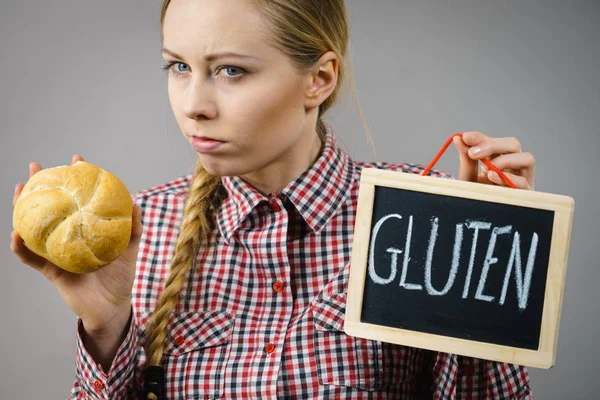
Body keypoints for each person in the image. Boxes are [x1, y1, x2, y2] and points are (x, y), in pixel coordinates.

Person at [10, 0, 536, 399]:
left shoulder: (415, 218)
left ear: (319, 79)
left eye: (231, 70)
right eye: (178, 66)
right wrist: (106, 325)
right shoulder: (138, 231)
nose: (194, 105)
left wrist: (479, 277)